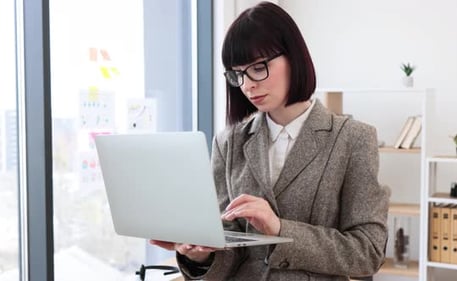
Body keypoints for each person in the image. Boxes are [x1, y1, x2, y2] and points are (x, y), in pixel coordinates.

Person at [151, 2, 389, 280]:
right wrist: (201, 254)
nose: (248, 84)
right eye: (238, 73)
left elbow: (367, 252)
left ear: (294, 58)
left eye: (259, 67)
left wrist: (279, 229)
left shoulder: (352, 139)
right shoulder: (228, 143)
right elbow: (229, 248)